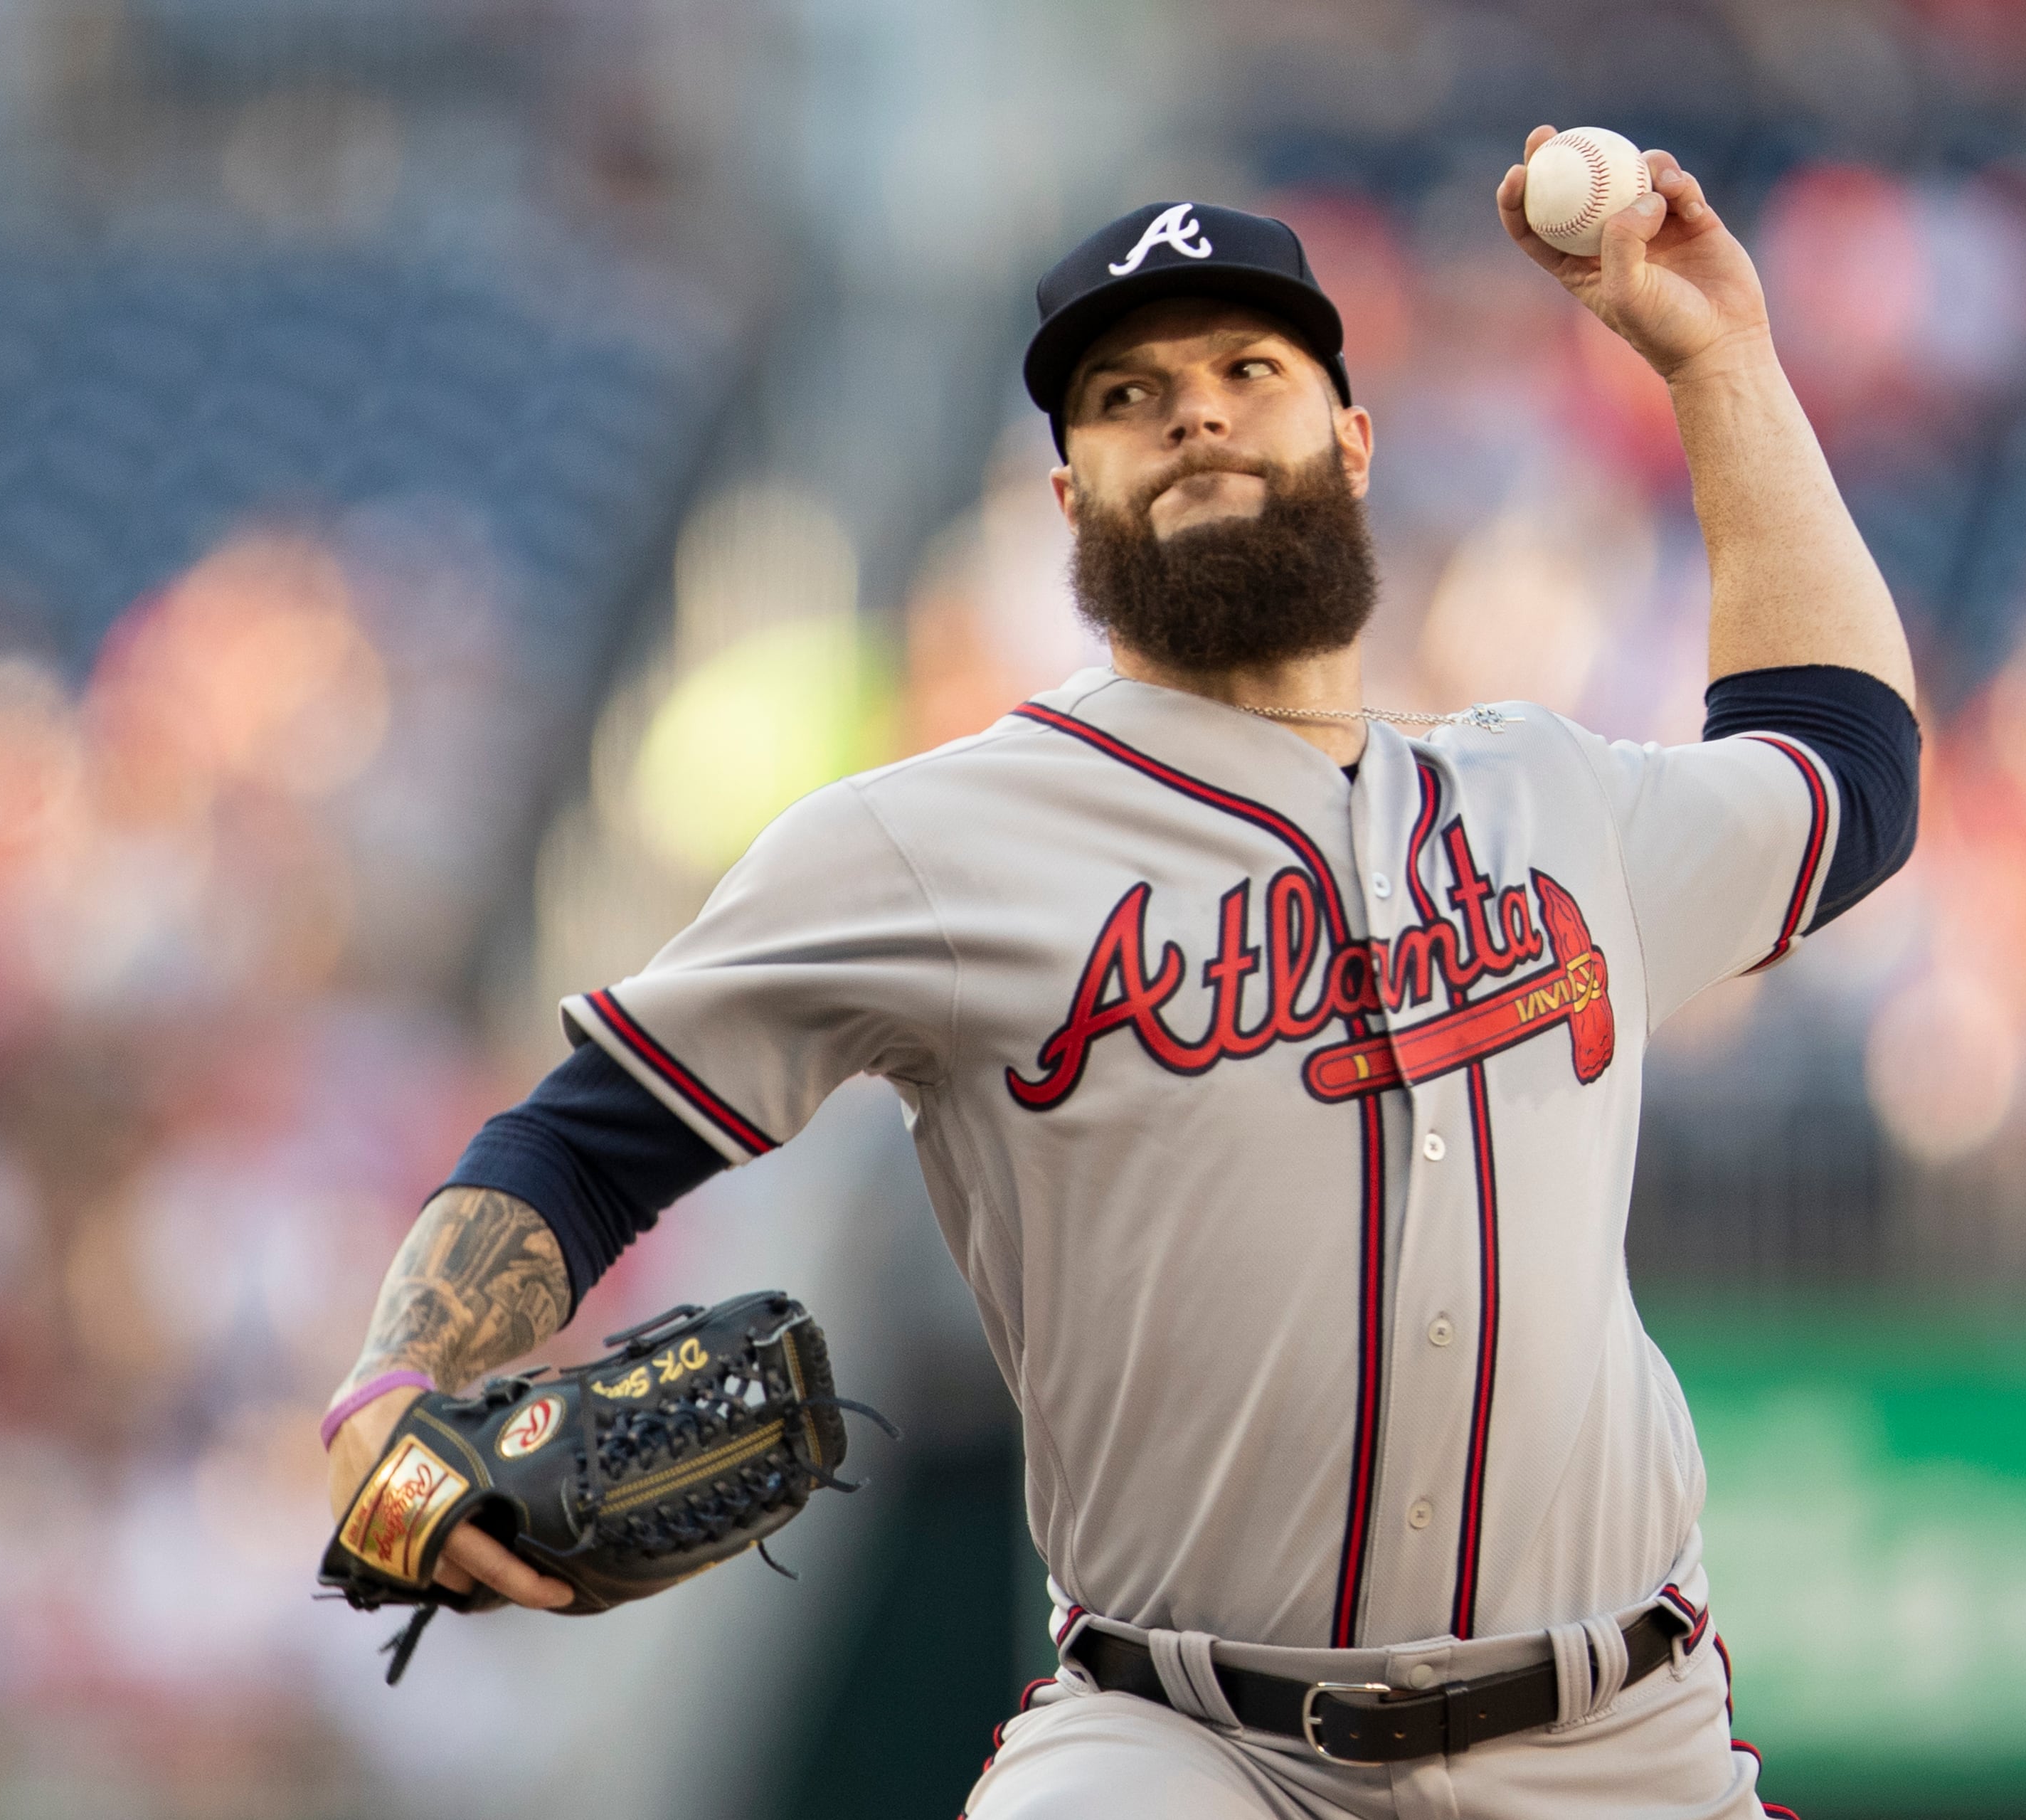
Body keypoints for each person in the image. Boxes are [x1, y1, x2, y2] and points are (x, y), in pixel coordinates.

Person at [319, 127, 1916, 1819]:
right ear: (1071, 494)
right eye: (1130, 397)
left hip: (1613, 1739)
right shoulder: (931, 841)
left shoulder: (1551, 798)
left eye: (1250, 369)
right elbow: (590, 1136)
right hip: (1184, 1741)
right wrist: (391, 1386)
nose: (1198, 413)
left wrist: (1720, 355)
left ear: (1356, 445)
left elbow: (1846, 769)